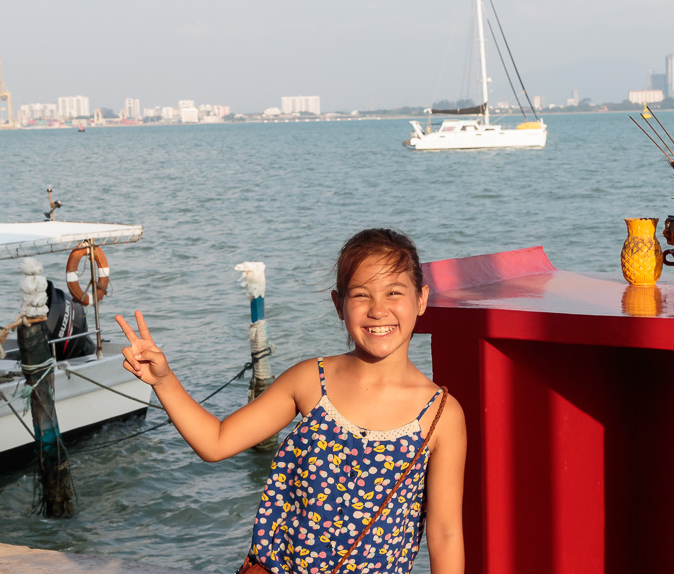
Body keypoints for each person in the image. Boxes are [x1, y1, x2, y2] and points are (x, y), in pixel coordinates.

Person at [116, 228, 467, 574]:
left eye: (393, 292)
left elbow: (445, 534)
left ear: (421, 299)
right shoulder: (310, 381)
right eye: (361, 295)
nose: (378, 310)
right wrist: (164, 381)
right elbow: (216, 441)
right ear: (339, 304)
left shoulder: (440, 415)